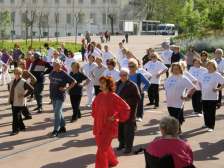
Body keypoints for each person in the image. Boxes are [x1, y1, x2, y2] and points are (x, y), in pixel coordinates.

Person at [91, 75, 130, 168]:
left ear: (108, 84)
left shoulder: (114, 97)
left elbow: (126, 108)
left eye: (103, 82)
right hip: (98, 126)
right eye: (100, 82)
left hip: (109, 126)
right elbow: (93, 106)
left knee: (101, 148)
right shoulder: (99, 96)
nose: (100, 84)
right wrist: (95, 115)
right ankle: (112, 161)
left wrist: (116, 116)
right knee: (104, 146)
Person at [164, 62, 196, 135]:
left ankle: (174, 133)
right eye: (173, 69)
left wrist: (187, 96)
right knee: (171, 117)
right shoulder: (169, 77)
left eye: (176, 69)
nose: (175, 70)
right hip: (169, 101)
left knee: (175, 118)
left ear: (180, 70)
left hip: (178, 101)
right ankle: (179, 130)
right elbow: (165, 86)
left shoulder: (183, 78)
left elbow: (193, 88)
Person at [49, 59, 77, 138]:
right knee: (57, 112)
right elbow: (50, 78)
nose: (54, 67)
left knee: (57, 113)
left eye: (56, 66)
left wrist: (67, 88)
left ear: (60, 65)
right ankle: (63, 127)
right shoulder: (53, 72)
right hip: (53, 95)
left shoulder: (63, 74)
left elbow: (74, 81)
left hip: (60, 96)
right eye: (53, 66)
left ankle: (56, 130)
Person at [116, 68, 140, 153]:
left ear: (128, 75)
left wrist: (126, 100)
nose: (122, 77)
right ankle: (122, 144)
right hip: (119, 110)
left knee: (128, 129)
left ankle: (129, 146)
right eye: (121, 75)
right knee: (120, 128)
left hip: (129, 111)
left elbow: (137, 98)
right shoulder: (117, 84)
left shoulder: (133, 85)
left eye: (124, 75)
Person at [198, 60, 224, 132]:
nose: (209, 67)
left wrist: (219, 88)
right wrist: (202, 88)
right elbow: (199, 81)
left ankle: (211, 126)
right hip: (204, 96)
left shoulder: (216, 75)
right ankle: (206, 123)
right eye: (208, 66)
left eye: (211, 66)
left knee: (211, 112)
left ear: (214, 67)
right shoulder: (204, 74)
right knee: (205, 111)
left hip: (212, 96)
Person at [8, 67, 34, 136]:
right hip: (13, 100)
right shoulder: (12, 81)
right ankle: (22, 127)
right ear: (14, 74)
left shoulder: (23, 82)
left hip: (19, 101)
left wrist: (24, 95)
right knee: (17, 114)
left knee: (15, 115)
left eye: (19, 73)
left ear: (21, 74)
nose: (17, 74)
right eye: (16, 73)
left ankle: (15, 130)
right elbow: (9, 88)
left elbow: (31, 89)